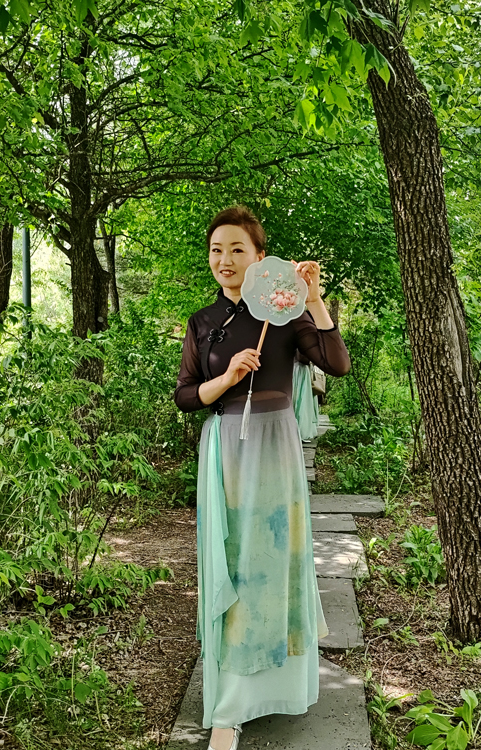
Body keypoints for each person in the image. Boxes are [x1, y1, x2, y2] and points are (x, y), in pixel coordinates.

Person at [173, 205, 351, 750]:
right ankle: (230, 705)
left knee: (277, 558)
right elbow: (186, 396)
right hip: (225, 450)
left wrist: (313, 299)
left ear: (259, 257)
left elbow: (337, 364)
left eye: (237, 249)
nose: (224, 260)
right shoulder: (203, 322)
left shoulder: (285, 312)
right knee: (233, 561)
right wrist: (226, 378)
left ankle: (279, 687)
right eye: (216, 250)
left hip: (276, 449)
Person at [292, 350, 321, 441]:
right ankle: (300, 431)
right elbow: (302, 358)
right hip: (301, 370)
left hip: (296, 368)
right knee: (302, 401)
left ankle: (297, 430)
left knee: (299, 400)